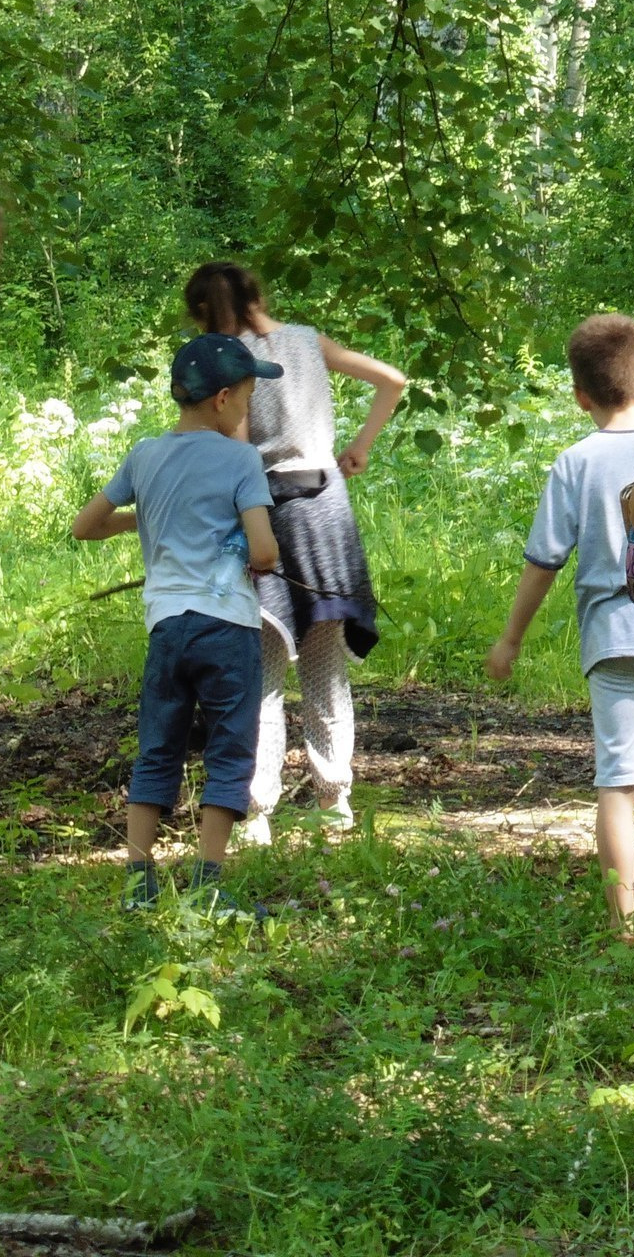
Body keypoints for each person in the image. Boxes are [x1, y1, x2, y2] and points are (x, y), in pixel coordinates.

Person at [486, 314, 634, 935]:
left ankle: (621, 924)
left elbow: (542, 562)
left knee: (617, 778)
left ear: (580, 396)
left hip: (611, 635)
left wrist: (510, 640)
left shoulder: (574, 463)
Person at [184, 262, 405, 842]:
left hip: (268, 512)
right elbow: (393, 380)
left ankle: (256, 811)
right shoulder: (307, 340)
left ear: (204, 313)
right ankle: (335, 801)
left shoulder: (223, 359)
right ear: (258, 294)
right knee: (325, 663)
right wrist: (357, 447)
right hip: (327, 507)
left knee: (262, 668)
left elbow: (231, 451)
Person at [71, 334, 281, 909]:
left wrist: (142, 525)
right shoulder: (240, 458)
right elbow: (263, 552)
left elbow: (85, 525)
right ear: (220, 398)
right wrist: (249, 543)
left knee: (158, 747)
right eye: (247, 393)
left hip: (167, 625)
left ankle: (139, 884)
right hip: (228, 627)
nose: (248, 404)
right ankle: (208, 887)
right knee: (230, 749)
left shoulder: (145, 455)